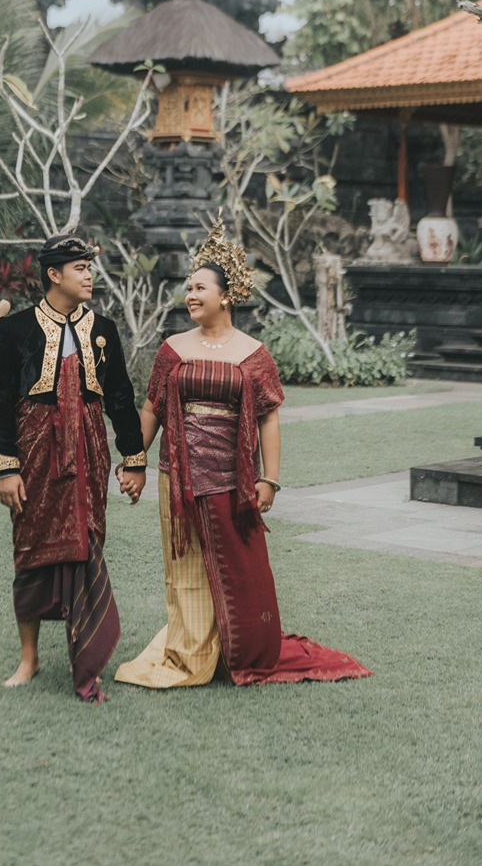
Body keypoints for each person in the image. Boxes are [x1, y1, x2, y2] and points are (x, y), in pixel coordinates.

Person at [115, 218, 372, 689]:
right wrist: (135, 462)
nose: (190, 295)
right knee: (185, 570)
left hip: (231, 480)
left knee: (241, 572)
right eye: (188, 288)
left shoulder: (253, 354)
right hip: (178, 475)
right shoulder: (173, 349)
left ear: (226, 296)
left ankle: (243, 647)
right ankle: (191, 652)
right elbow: (151, 407)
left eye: (200, 288)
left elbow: (268, 417)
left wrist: (269, 478)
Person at [0, 234, 147, 703]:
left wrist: (134, 461)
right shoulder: (14, 331)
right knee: (30, 550)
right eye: (80, 268)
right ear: (54, 275)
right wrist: (6, 468)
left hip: (89, 457)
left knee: (86, 545)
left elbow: (121, 400)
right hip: (35, 458)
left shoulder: (104, 330)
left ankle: (86, 656)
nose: (89, 275)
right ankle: (29, 658)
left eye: (89, 267)